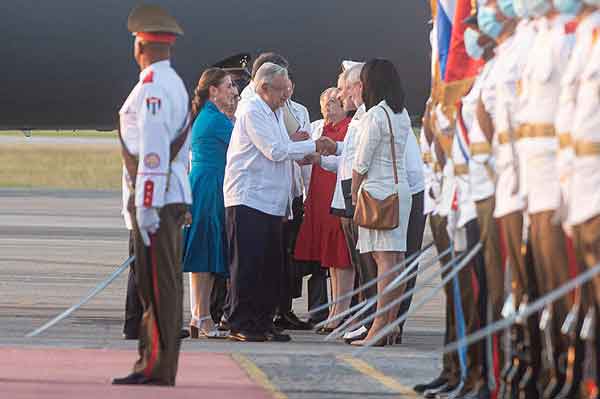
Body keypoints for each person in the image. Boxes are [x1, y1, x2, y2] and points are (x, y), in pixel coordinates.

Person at [223, 62, 337, 342]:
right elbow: (275, 150)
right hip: (249, 198)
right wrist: (314, 145)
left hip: (271, 202)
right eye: (281, 90)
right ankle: (241, 321)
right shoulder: (252, 110)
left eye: (287, 90)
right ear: (264, 88)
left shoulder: (272, 111)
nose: (286, 96)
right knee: (248, 265)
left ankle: (262, 320)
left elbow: (285, 149)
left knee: (269, 266)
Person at [112, 4, 191, 386]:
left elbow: (155, 151)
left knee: (158, 287)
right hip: (164, 197)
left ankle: (158, 366)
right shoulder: (169, 82)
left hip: (157, 200)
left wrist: (146, 204)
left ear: (142, 45)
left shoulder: (153, 88)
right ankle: (151, 361)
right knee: (157, 284)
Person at [349, 59, 413, 347]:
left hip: (378, 192)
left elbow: (361, 161)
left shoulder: (375, 115)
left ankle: (377, 327)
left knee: (384, 260)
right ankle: (389, 324)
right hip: (401, 191)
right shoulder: (400, 113)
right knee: (396, 260)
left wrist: (353, 190)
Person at [182, 68, 236, 339]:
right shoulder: (215, 119)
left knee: (203, 253)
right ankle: (202, 316)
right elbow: (242, 140)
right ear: (213, 90)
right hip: (209, 186)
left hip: (205, 183)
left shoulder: (207, 116)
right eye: (228, 86)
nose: (233, 91)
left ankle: (199, 315)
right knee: (204, 253)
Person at [295, 87, 353, 333]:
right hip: (318, 197)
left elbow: (345, 159)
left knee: (341, 255)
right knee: (328, 257)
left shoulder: (350, 128)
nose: (329, 107)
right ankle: (331, 310)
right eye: (325, 102)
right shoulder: (318, 128)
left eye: (333, 102)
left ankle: (342, 310)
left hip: (336, 193)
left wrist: (320, 159)